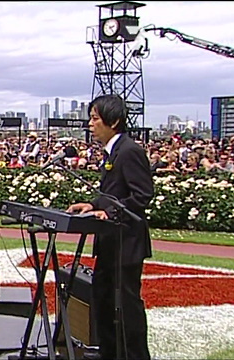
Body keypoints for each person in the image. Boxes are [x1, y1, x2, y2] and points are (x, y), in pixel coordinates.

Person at [65, 94, 153, 360]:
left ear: (113, 121)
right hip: (109, 242)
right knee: (102, 299)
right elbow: (113, 193)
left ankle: (134, 355)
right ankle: (109, 352)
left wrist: (109, 211)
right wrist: (92, 205)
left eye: (95, 118)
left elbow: (141, 195)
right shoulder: (112, 152)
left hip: (127, 244)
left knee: (126, 305)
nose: (90, 124)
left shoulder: (130, 151)